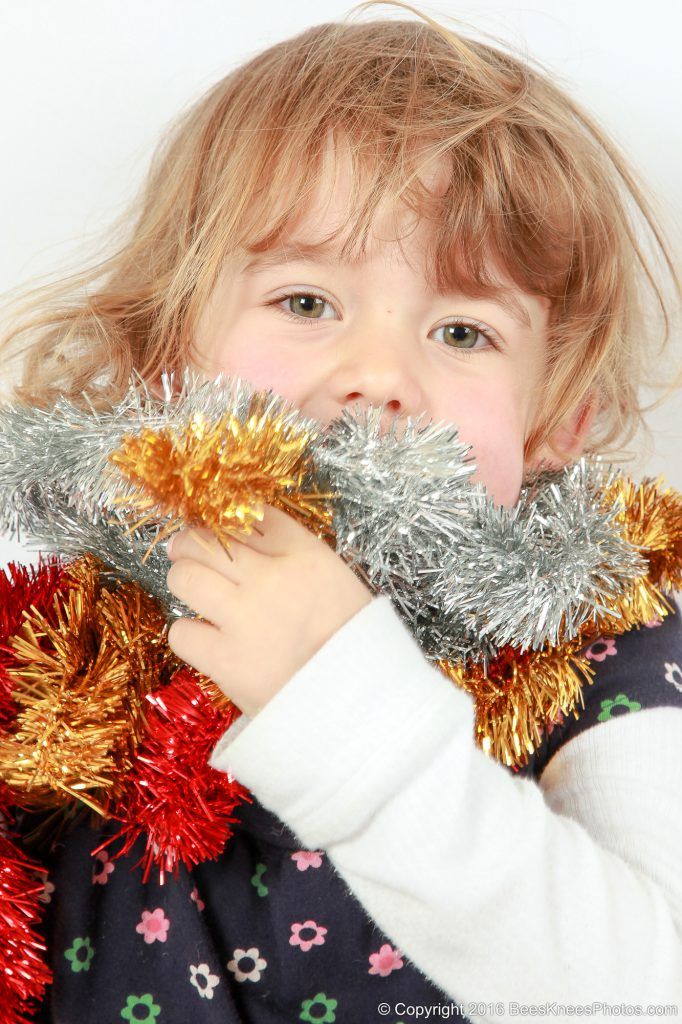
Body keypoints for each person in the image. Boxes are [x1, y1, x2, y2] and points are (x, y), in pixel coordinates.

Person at [2, 3, 681, 1021]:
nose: (378, 375)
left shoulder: (607, 643)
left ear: (558, 423)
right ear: (162, 357)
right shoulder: (64, 641)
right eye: (306, 302)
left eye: (462, 329)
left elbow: (647, 990)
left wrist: (337, 690)